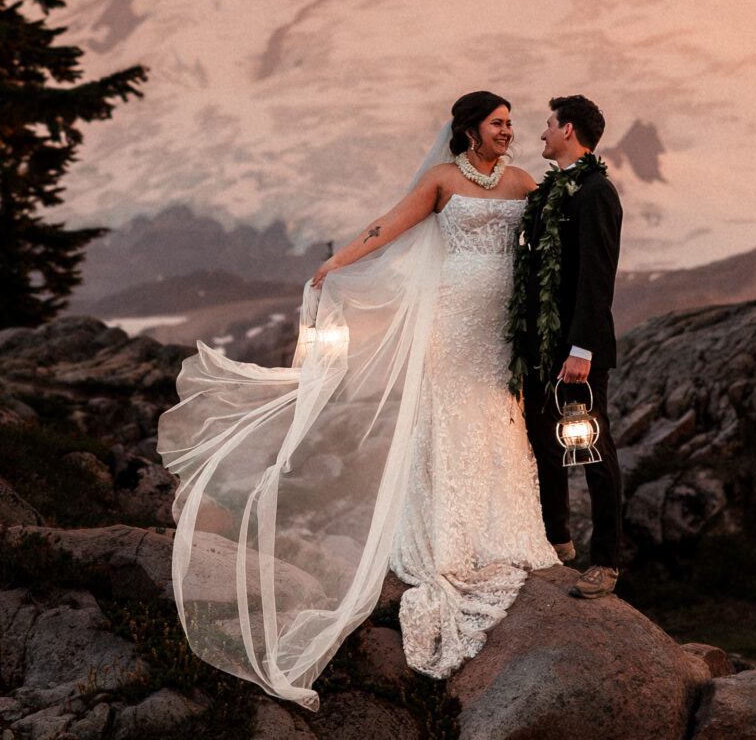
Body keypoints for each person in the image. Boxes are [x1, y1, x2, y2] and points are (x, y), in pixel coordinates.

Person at [157, 91, 560, 707]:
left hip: (497, 324)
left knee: (496, 417)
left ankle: (501, 527)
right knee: (447, 416)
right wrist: (339, 261)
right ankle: (443, 534)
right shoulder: (442, 179)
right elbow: (389, 225)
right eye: (499, 123)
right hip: (450, 319)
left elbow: (552, 242)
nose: (510, 131)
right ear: (470, 129)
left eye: (512, 124)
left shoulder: (525, 183)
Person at [510, 93, 625, 597]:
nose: (541, 133)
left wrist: (582, 350)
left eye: (549, 125)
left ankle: (608, 562)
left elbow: (597, 278)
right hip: (541, 345)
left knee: (591, 447)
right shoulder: (554, 190)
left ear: (569, 130)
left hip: (577, 351)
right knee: (544, 443)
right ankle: (557, 542)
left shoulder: (595, 192)